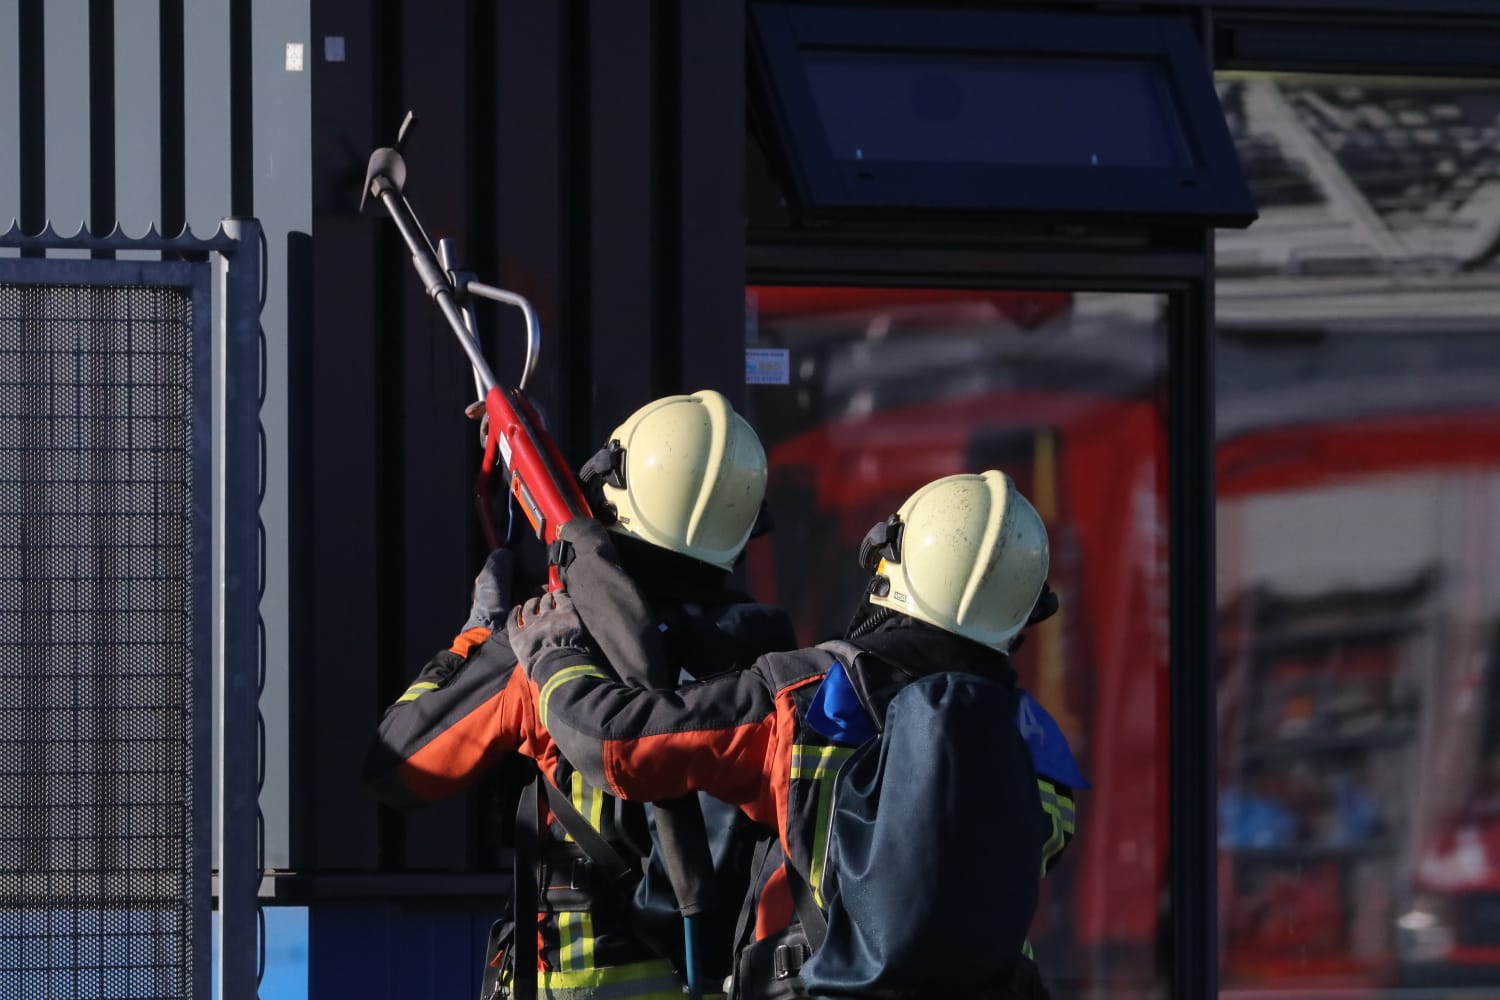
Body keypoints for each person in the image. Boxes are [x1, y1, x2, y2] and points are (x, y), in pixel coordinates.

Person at [507, 470, 1086, 999]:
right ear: (1024, 613)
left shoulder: (801, 697)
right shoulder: (1040, 752)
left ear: (889, 560)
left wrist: (553, 653)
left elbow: (615, 742)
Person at [365, 389, 799, 1000]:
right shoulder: (769, 660)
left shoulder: (550, 647)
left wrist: (477, 636)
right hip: (719, 977)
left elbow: (400, 766)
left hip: (580, 980)